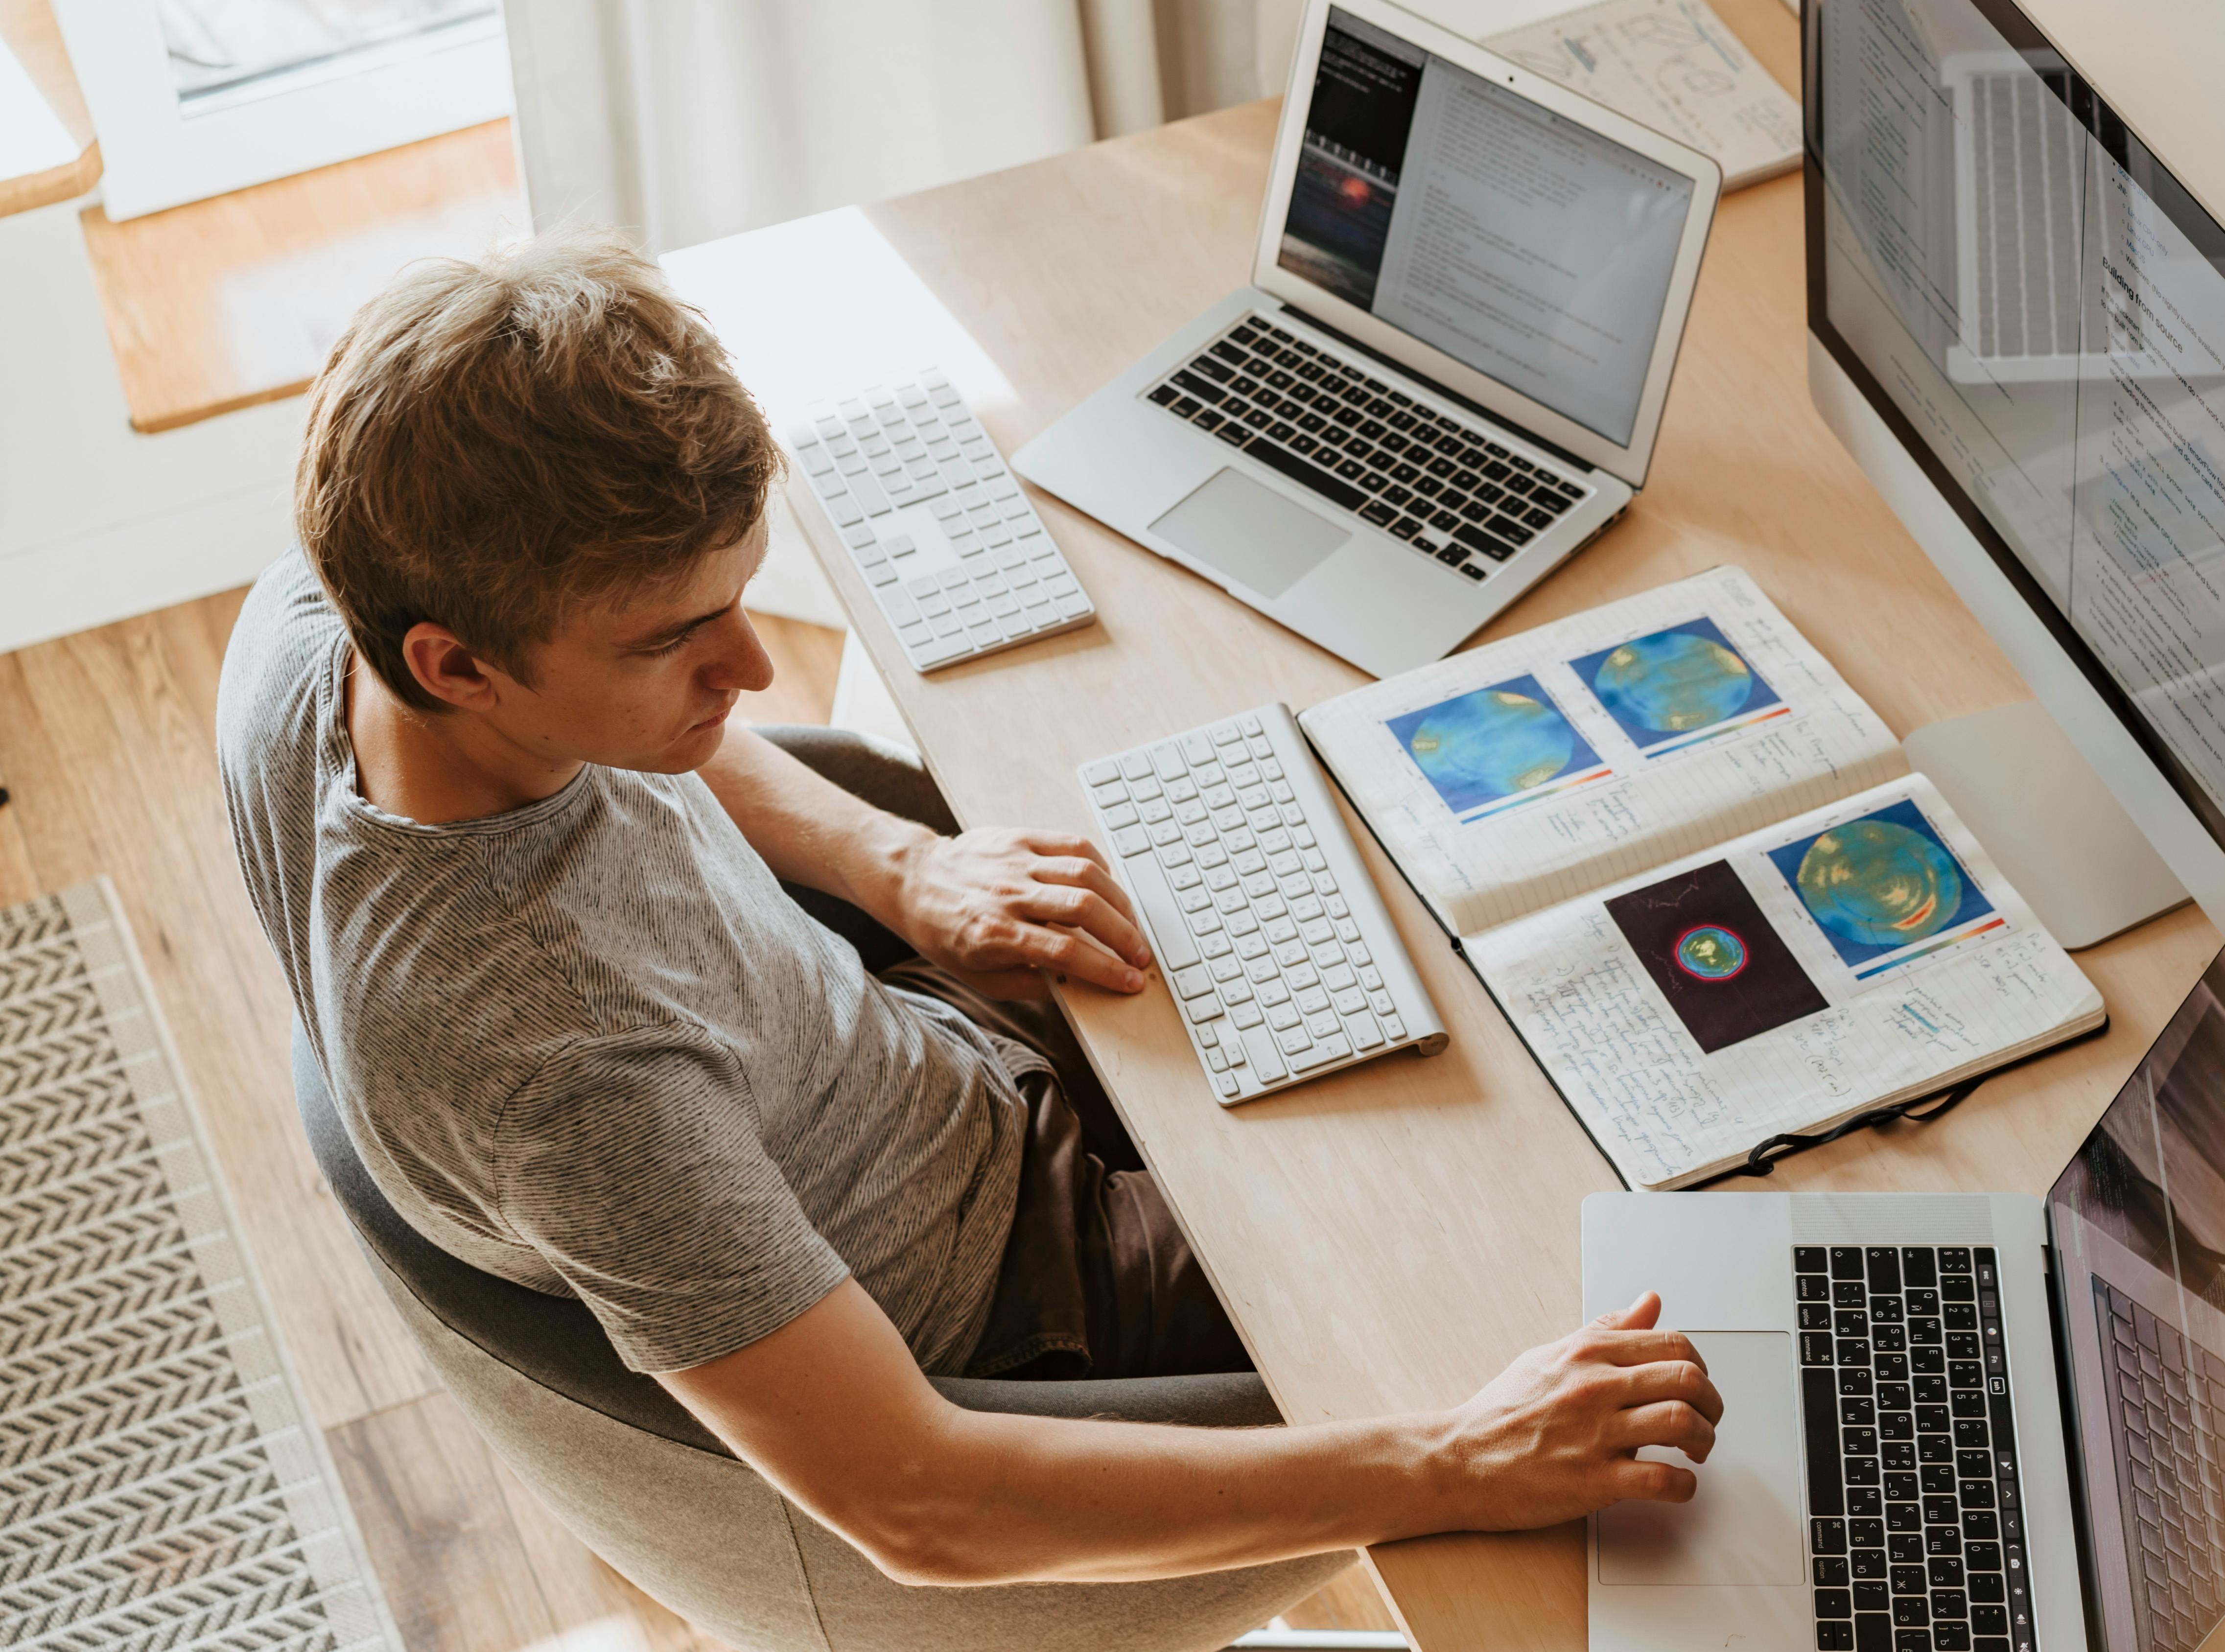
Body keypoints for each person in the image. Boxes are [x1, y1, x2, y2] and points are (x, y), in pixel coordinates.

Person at [217, 229, 1720, 1587]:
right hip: (1020, 1292)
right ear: (456, 665)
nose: (748, 673)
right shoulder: (562, 1074)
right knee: (1569, 1249)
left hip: (908, 1054)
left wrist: (898, 869)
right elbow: (919, 1503)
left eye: (743, 598)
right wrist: (1451, 1466)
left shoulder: (327, 613)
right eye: (679, 641)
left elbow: (651, 724)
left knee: (1421, 930)